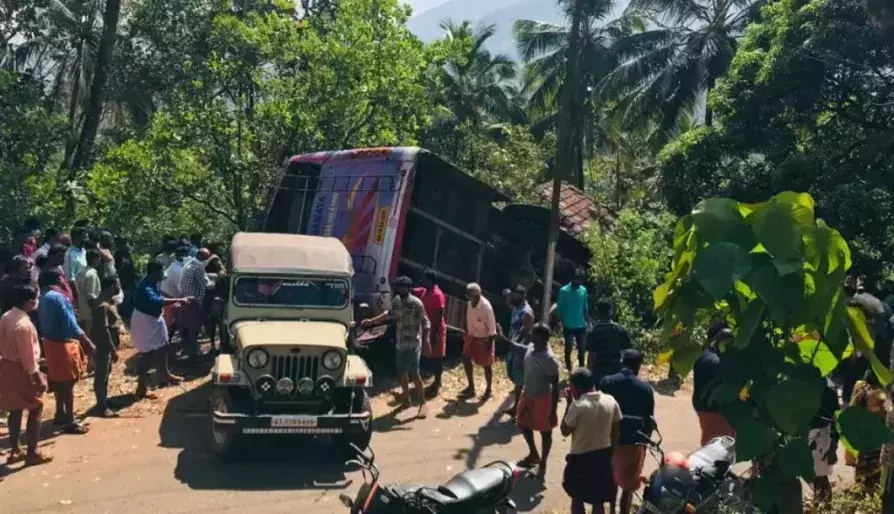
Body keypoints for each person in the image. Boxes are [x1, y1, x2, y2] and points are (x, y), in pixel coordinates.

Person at [361, 276, 430, 418]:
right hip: (400, 343)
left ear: (409, 288)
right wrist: (371, 321)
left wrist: (427, 340)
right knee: (401, 373)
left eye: (404, 287)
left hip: (413, 343)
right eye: (399, 287)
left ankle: (423, 402)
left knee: (414, 373)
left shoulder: (416, 303)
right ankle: (406, 400)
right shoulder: (397, 301)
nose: (401, 289)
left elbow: (425, 322)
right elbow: (389, 314)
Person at [37, 269, 95, 434]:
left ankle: (60, 413)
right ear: (57, 281)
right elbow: (71, 324)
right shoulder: (57, 297)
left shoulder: (42, 297)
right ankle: (70, 420)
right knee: (68, 383)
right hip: (62, 344)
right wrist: (87, 341)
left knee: (58, 381)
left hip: (50, 343)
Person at [0, 285, 53, 466]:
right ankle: (33, 452)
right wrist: (37, 377)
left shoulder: (7, 316)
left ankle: (15, 450)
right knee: (36, 407)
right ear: (30, 302)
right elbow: (28, 359)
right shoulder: (24, 326)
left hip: (7, 366)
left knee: (15, 409)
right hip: (21, 369)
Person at [600, 350, 655, 514]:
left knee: (611, 481)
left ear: (622, 361)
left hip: (609, 440)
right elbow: (649, 420)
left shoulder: (607, 382)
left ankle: (611, 511)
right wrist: (644, 445)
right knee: (628, 486)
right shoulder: (645, 389)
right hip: (633, 442)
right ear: (639, 366)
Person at [561, 367, 622, 514]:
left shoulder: (578, 405)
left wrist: (569, 402)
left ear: (579, 388)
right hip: (603, 458)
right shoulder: (610, 400)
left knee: (577, 499)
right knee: (599, 501)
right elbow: (615, 431)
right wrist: (611, 453)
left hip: (580, 460)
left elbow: (565, 430)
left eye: (571, 386)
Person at [132, 260, 186, 398]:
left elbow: (159, 299)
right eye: (162, 270)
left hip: (155, 318)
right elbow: (156, 301)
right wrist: (179, 300)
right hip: (145, 321)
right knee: (147, 354)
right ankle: (141, 387)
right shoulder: (145, 287)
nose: (163, 273)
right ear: (155, 272)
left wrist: (172, 304)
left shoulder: (153, 282)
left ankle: (165, 374)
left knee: (164, 344)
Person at [517, 323, 561, 479]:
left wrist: (553, 411)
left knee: (545, 433)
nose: (530, 335)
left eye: (533, 334)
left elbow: (555, 386)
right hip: (528, 393)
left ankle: (542, 465)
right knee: (522, 422)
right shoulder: (532, 346)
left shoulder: (549, 359)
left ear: (542, 338)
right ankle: (534, 454)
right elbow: (523, 349)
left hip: (543, 398)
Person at [692, 325, 736, 446]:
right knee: (717, 449)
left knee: (713, 443)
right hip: (714, 411)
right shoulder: (716, 361)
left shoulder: (707, 355)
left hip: (704, 407)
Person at [91, 275, 123, 417]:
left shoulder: (107, 302)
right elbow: (103, 330)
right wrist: (113, 350)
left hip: (106, 345)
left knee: (105, 374)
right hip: (103, 346)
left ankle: (104, 401)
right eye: (117, 286)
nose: (118, 289)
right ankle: (102, 407)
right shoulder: (102, 306)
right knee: (101, 376)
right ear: (110, 287)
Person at [461, 282, 498, 399]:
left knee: (486, 365)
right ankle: (471, 387)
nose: (467, 297)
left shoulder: (486, 308)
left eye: (469, 295)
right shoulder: (470, 304)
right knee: (465, 358)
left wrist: (489, 347)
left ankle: (488, 389)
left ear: (476, 295)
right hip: (471, 337)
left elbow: (492, 330)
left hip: (484, 340)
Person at [413, 269, 446, 396]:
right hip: (426, 328)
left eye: (424, 279)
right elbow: (416, 290)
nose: (422, 281)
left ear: (430, 281)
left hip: (436, 329)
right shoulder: (426, 290)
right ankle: (427, 377)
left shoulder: (437, 295)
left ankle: (437, 382)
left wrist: (434, 334)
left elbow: (439, 315)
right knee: (427, 354)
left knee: (437, 357)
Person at [178, 248, 214, 362]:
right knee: (195, 327)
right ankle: (194, 354)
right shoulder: (198, 267)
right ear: (202, 257)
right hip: (195, 300)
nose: (207, 260)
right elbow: (206, 284)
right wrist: (214, 283)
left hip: (185, 298)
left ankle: (189, 350)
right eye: (206, 258)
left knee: (188, 328)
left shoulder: (189, 262)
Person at [808, 377, 840, 503]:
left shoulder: (827, 389)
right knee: (816, 474)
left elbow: (836, 419)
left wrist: (833, 447)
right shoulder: (805, 384)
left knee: (820, 475)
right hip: (811, 431)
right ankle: (821, 502)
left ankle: (823, 504)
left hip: (822, 433)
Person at [587, 298, 632, 384]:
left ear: (597, 312)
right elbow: (628, 353)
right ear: (610, 311)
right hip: (617, 371)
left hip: (599, 372)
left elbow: (591, 356)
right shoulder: (621, 330)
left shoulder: (592, 331)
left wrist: (590, 376)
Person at [505, 285, 534, 417]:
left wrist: (521, 352)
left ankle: (519, 408)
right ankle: (519, 406)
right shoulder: (516, 309)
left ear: (522, 296)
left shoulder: (527, 312)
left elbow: (528, 335)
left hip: (521, 350)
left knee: (519, 380)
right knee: (514, 377)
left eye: (515, 295)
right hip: (513, 347)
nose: (513, 297)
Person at [557, 269, 589, 369]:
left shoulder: (583, 290)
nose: (577, 282)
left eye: (579, 280)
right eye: (576, 280)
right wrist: (560, 321)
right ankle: (569, 367)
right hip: (568, 324)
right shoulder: (563, 291)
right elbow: (560, 307)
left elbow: (585, 306)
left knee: (582, 349)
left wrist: (588, 320)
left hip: (581, 324)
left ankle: (581, 368)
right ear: (571, 279)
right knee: (568, 348)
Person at [161, 245, 190, 331]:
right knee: (168, 324)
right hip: (169, 299)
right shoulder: (178, 270)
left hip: (168, 296)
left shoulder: (175, 266)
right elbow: (182, 291)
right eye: (187, 256)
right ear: (181, 257)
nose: (189, 258)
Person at [75, 248, 102, 334]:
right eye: (99, 258)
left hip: (81, 309)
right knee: (90, 334)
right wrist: (95, 312)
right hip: (89, 312)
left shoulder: (81, 272)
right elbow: (91, 297)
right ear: (95, 259)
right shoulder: (92, 275)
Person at [114, 236, 137, 322]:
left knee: (130, 300)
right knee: (124, 300)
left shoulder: (127, 254)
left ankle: (129, 317)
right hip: (124, 282)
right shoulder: (118, 255)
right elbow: (117, 269)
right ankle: (124, 318)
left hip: (131, 281)